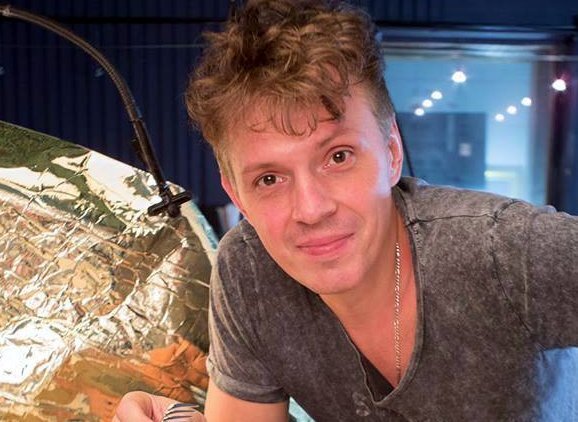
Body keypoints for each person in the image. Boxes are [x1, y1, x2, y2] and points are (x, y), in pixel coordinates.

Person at [114, 0, 578, 420]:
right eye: (269, 179)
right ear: (236, 195)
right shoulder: (250, 272)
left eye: (338, 157)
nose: (311, 209)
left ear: (391, 152)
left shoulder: (503, 250)